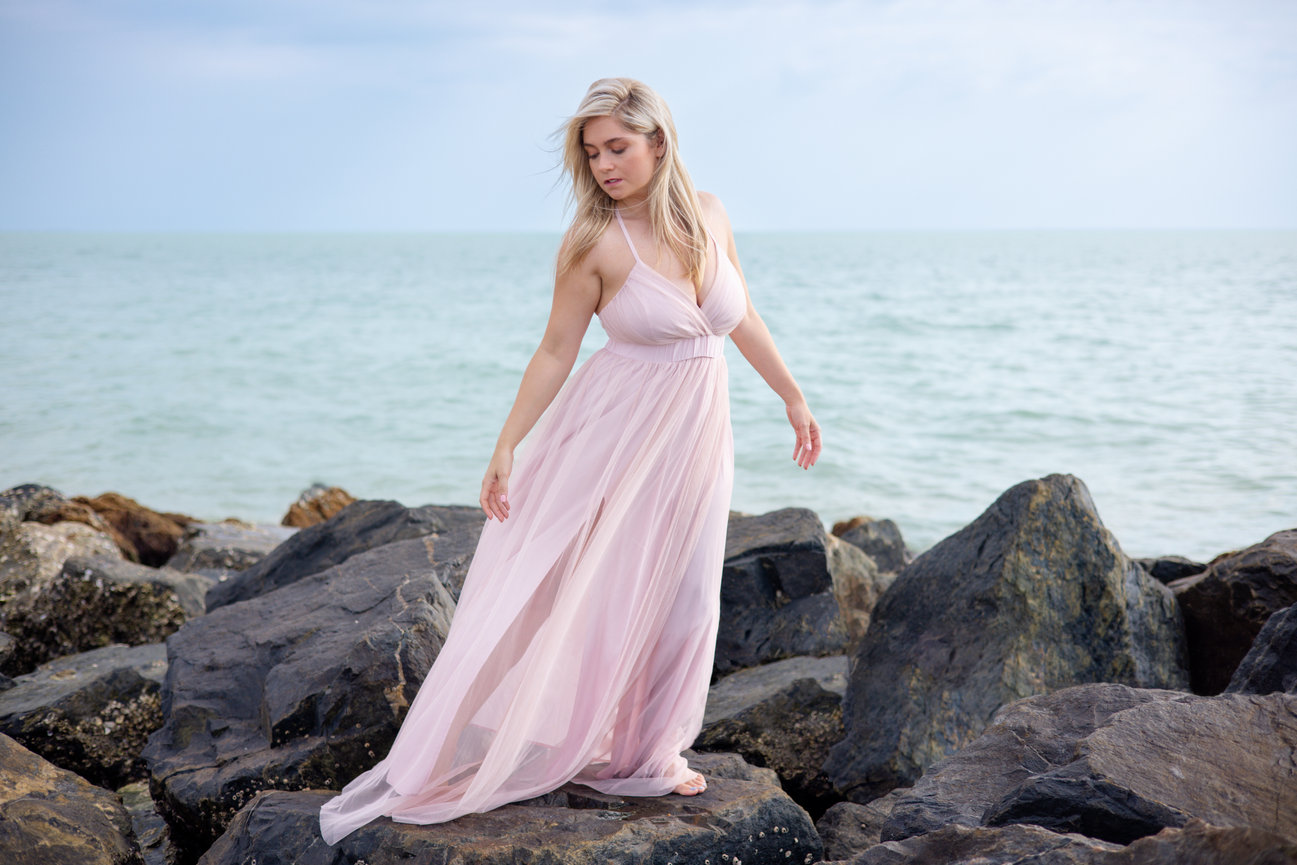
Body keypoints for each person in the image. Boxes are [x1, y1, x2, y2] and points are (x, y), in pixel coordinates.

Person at [318, 76, 821, 845]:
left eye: (617, 148)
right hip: (612, 432)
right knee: (556, 584)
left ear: (658, 142)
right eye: (591, 154)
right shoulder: (594, 243)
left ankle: (644, 752)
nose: (604, 166)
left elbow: (741, 313)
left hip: (694, 433)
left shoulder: (711, 214)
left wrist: (790, 395)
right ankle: (445, 743)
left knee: (686, 594)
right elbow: (557, 350)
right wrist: (506, 442)